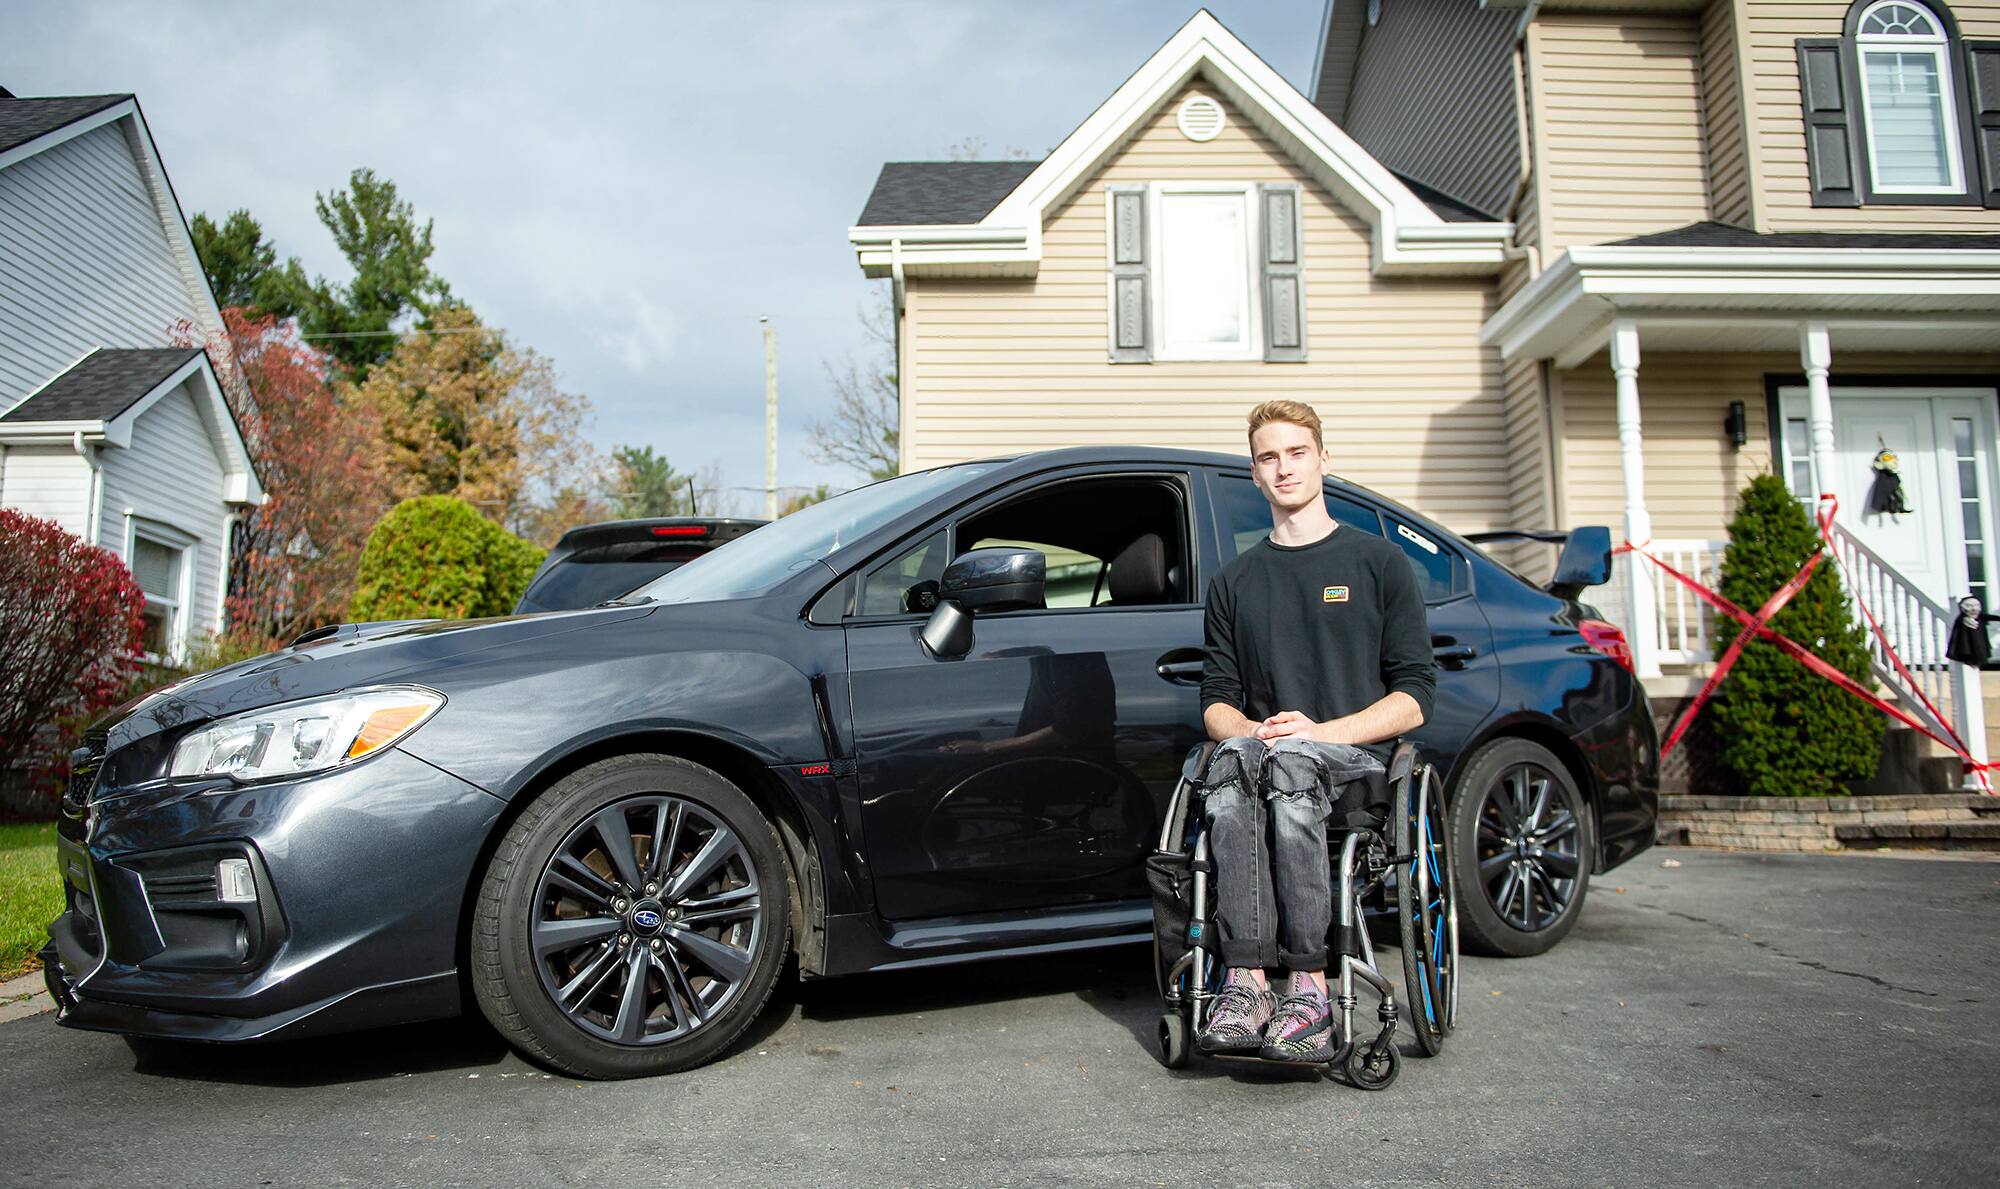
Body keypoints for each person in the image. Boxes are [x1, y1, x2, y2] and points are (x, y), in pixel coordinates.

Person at [1194, 399, 1436, 1062]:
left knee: (1296, 761)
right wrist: (1253, 731)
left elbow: (1414, 699)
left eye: (1297, 452)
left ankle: (1309, 986)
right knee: (1232, 757)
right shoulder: (1235, 582)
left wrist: (1321, 731)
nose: (1284, 467)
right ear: (1254, 472)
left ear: (1323, 459)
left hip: (1353, 767)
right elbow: (1215, 702)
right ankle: (1245, 982)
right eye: (1269, 456)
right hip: (1267, 761)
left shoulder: (1378, 565)